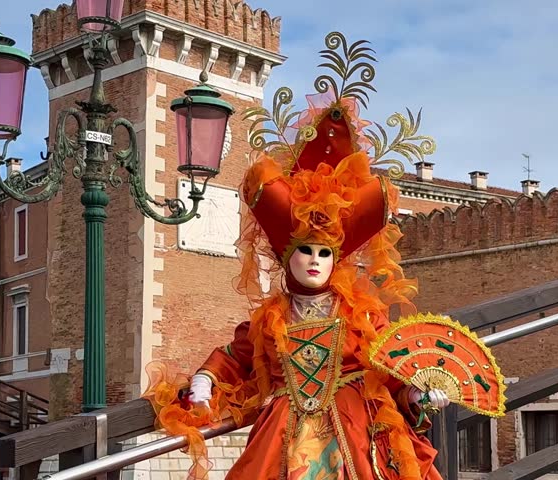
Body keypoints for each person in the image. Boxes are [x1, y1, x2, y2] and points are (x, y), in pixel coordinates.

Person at [144, 32, 449, 480]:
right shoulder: (273, 317)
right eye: (303, 251)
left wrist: (420, 394)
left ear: (335, 260)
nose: (312, 260)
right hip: (283, 431)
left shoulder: (361, 314)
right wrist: (206, 379)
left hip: (355, 428)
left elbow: (392, 366)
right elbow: (235, 355)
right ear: (286, 258)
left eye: (322, 253)